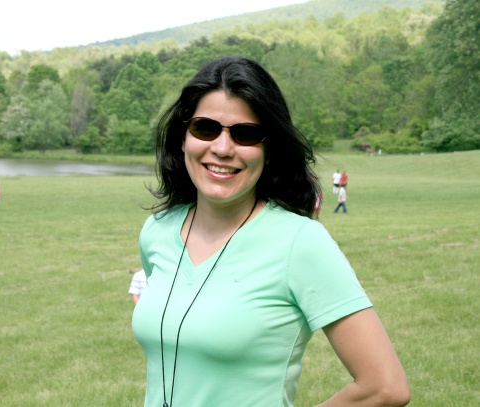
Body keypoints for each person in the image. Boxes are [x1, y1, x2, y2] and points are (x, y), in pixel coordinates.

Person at [132, 57, 409, 407]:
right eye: (206, 128)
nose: (222, 148)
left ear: (270, 149)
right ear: (183, 137)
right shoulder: (157, 231)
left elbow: (385, 386)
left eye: (246, 134)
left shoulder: (300, 242)